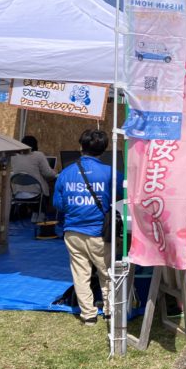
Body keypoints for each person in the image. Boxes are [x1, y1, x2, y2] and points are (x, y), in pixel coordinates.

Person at [53, 129, 123, 326]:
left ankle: (88, 314)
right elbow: (121, 194)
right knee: (107, 273)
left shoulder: (65, 173)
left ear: (80, 146)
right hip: (100, 233)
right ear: (104, 150)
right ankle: (109, 310)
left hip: (73, 231)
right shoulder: (111, 173)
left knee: (80, 273)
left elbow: (58, 204)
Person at [11, 135, 57, 220]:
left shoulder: (13, 157)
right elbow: (48, 174)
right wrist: (55, 173)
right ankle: (42, 215)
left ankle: (35, 214)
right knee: (50, 187)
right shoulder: (38, 155)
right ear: (35, 145)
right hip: (36, 193)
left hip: (17, 193)